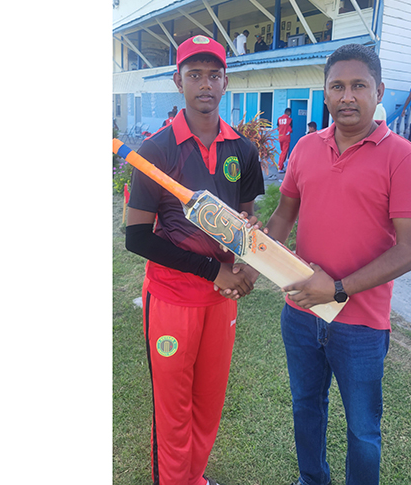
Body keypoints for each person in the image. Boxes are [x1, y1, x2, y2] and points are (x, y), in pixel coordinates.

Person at [262, 44, 411, 485]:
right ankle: (312, 480)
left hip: (361, 323)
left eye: (359, 85)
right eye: (337, 86)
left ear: (378, 91)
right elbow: (283, 215)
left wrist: (337, 289)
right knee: (305, 408)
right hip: (300, 313)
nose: (347, 96)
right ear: (325, 94)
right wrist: (254, 252)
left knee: (363, 430)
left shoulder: (404, 158)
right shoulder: (304, 148)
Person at [124, 34, 265, 485]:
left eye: (213, 75)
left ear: (225, 81)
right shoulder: (157, 151)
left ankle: (194, 478)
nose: (205, 84)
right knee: (173, 410)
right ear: (178, 81)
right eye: (194, 75)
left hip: (221, 301)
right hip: (171, 300)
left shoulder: (242, 150)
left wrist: (244, 262)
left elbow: (247, 219)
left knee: (207, 405)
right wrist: (212, 269)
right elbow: (136, 238)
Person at [276, 107, 292, 173]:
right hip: (286, 138)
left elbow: (278, 128)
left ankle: (280, 166)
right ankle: (280, 167)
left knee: (282, 152)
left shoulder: (279, 119)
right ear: (288, 112)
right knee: (284, 153)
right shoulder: (289, 120)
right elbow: (290, 129)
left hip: (280, 137)